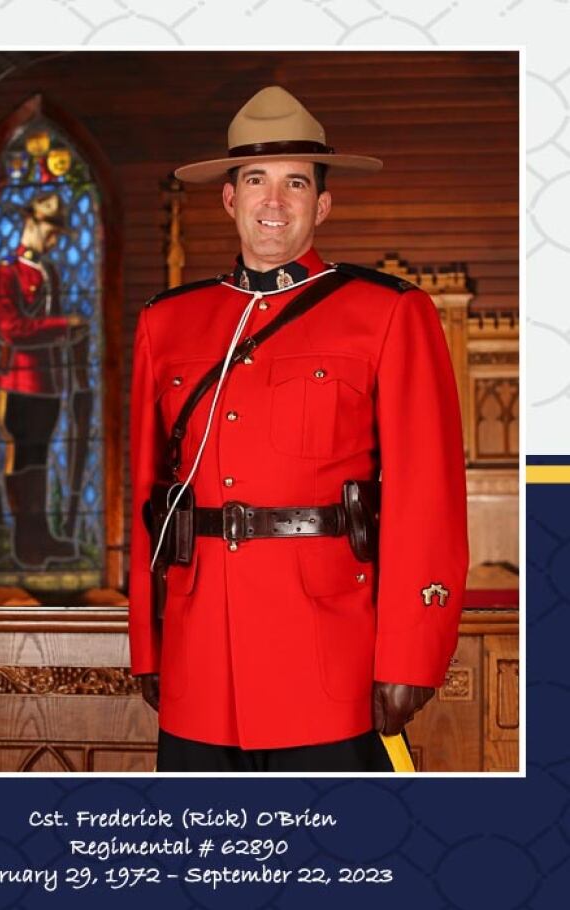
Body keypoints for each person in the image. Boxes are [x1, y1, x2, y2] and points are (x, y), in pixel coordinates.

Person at [128, 86, 468, 772]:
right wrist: (148, 641)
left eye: (295, 183)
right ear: (229, 199)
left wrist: (412, 652)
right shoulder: (167, 324)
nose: (273, 201)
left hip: (328, 653)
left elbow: (427, 495)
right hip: (199, 655)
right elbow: (149, 497)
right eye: (255, 180)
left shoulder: (386, 313)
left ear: (322, 203)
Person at [0, 190, 91, 567]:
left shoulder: (47, 271)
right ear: (31, 222)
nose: (53, 241)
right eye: (50, 232)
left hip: (49, 383)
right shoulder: (6, 271)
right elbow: (13, 328)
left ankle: (40, 534)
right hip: (19, 382)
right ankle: (23, 539)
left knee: (41, 459)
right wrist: (65, 326)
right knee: (23, 458)